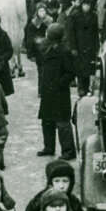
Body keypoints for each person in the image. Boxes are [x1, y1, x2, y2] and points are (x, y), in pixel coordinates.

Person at [36, 24, 76, 160]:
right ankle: (49, 147)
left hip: (59, 92)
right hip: (48, 91)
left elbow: (70, 72)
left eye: (48, 32)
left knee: (62, 123)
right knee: (46, 121)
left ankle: (68, 151)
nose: (46, 33)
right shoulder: (46, 48)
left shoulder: (64, 51)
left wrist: (60, 84)